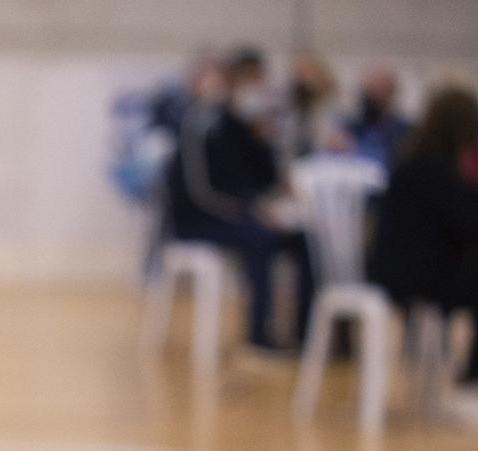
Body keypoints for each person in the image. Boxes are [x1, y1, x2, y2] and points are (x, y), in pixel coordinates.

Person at [369, 88, 478, 431]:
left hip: (425, 268)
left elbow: (477, 204)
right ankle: (472, 386)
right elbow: (466, 220)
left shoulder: (436, 164)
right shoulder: (427, 168)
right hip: (406, 273)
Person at [163, 46, 314, 354]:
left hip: (241, 215)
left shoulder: (248, 124)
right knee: (261, 238)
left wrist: (264, 141)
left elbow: (265, 180)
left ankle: (306, 336)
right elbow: (200, 192)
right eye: (247, 80)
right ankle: (259, 338)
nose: (253, 88)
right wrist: (251, 211)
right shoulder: (200, 123)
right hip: (198, 220)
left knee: (303, 240)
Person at [344, 64, 411, 169]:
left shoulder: (405, 131)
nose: (370, 97)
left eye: (377, 91)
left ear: (391, 94)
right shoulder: (349, 126)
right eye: (367, 90)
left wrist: (352, 148)